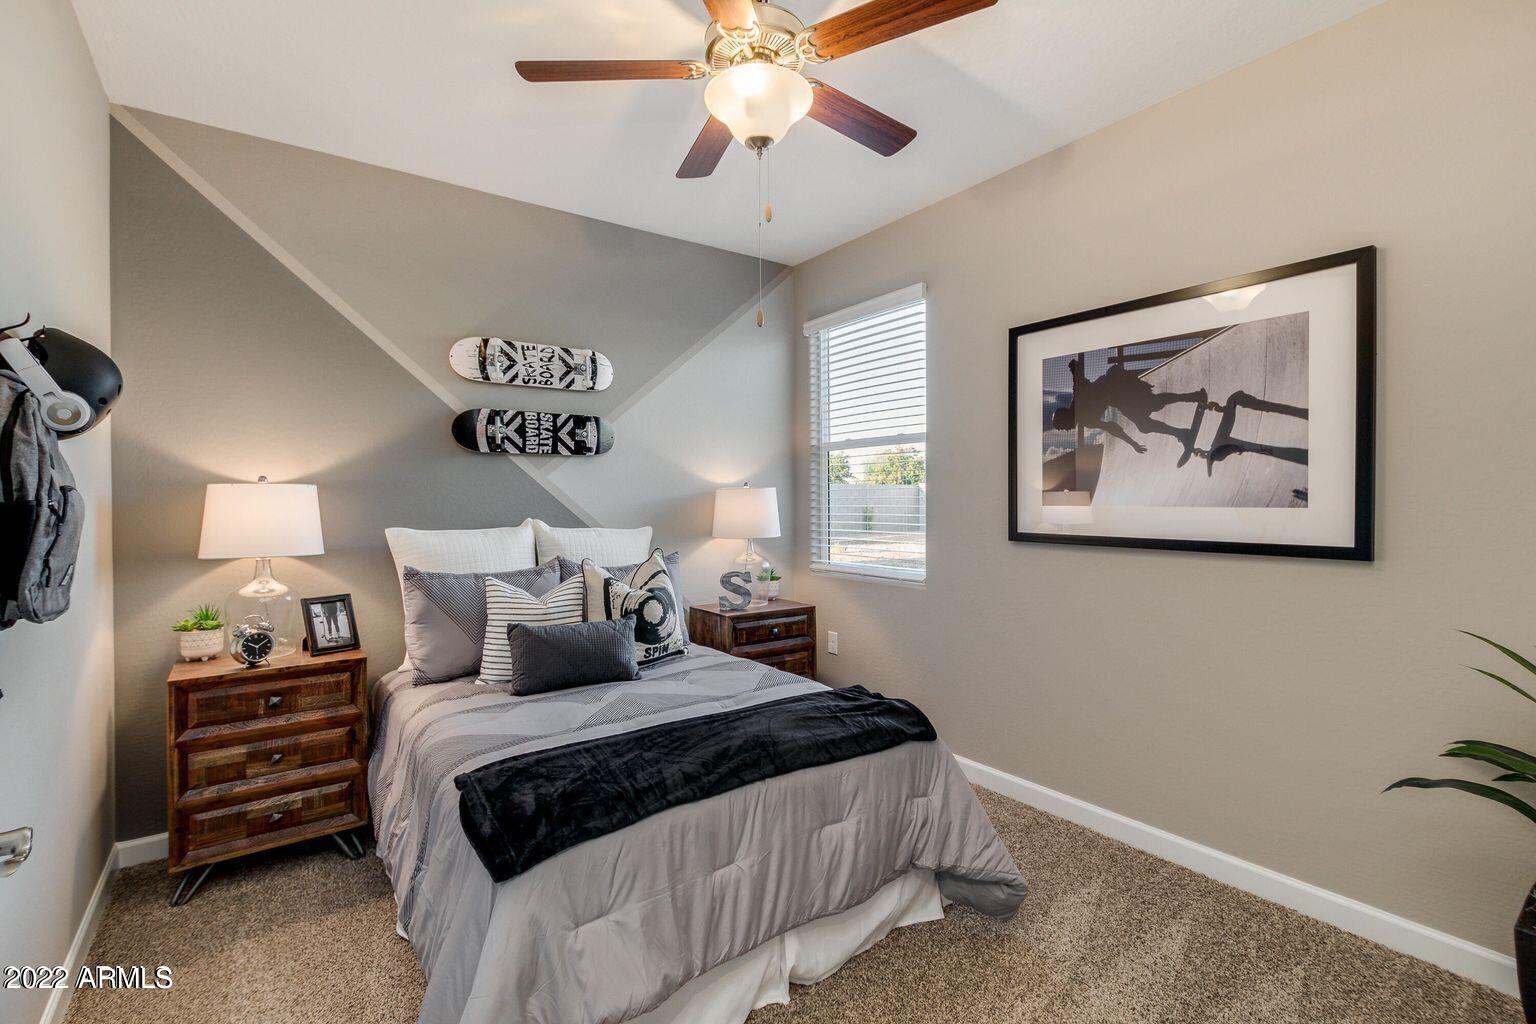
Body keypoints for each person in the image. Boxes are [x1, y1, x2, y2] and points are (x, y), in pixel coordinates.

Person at [1052, 358, 1209, 467]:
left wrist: (1073, 367)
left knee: (1152, 407)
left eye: (1063, 426)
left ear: (1065, 417)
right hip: (1119, 398)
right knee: (1146, 422)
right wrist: (1132, 443)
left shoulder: (1079, 399)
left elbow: (1077, 376)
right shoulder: (1086, 420)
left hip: (1118, 382)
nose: (1066, 429)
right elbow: (1112, 427)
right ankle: (1182, 431)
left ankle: (1194, 399)